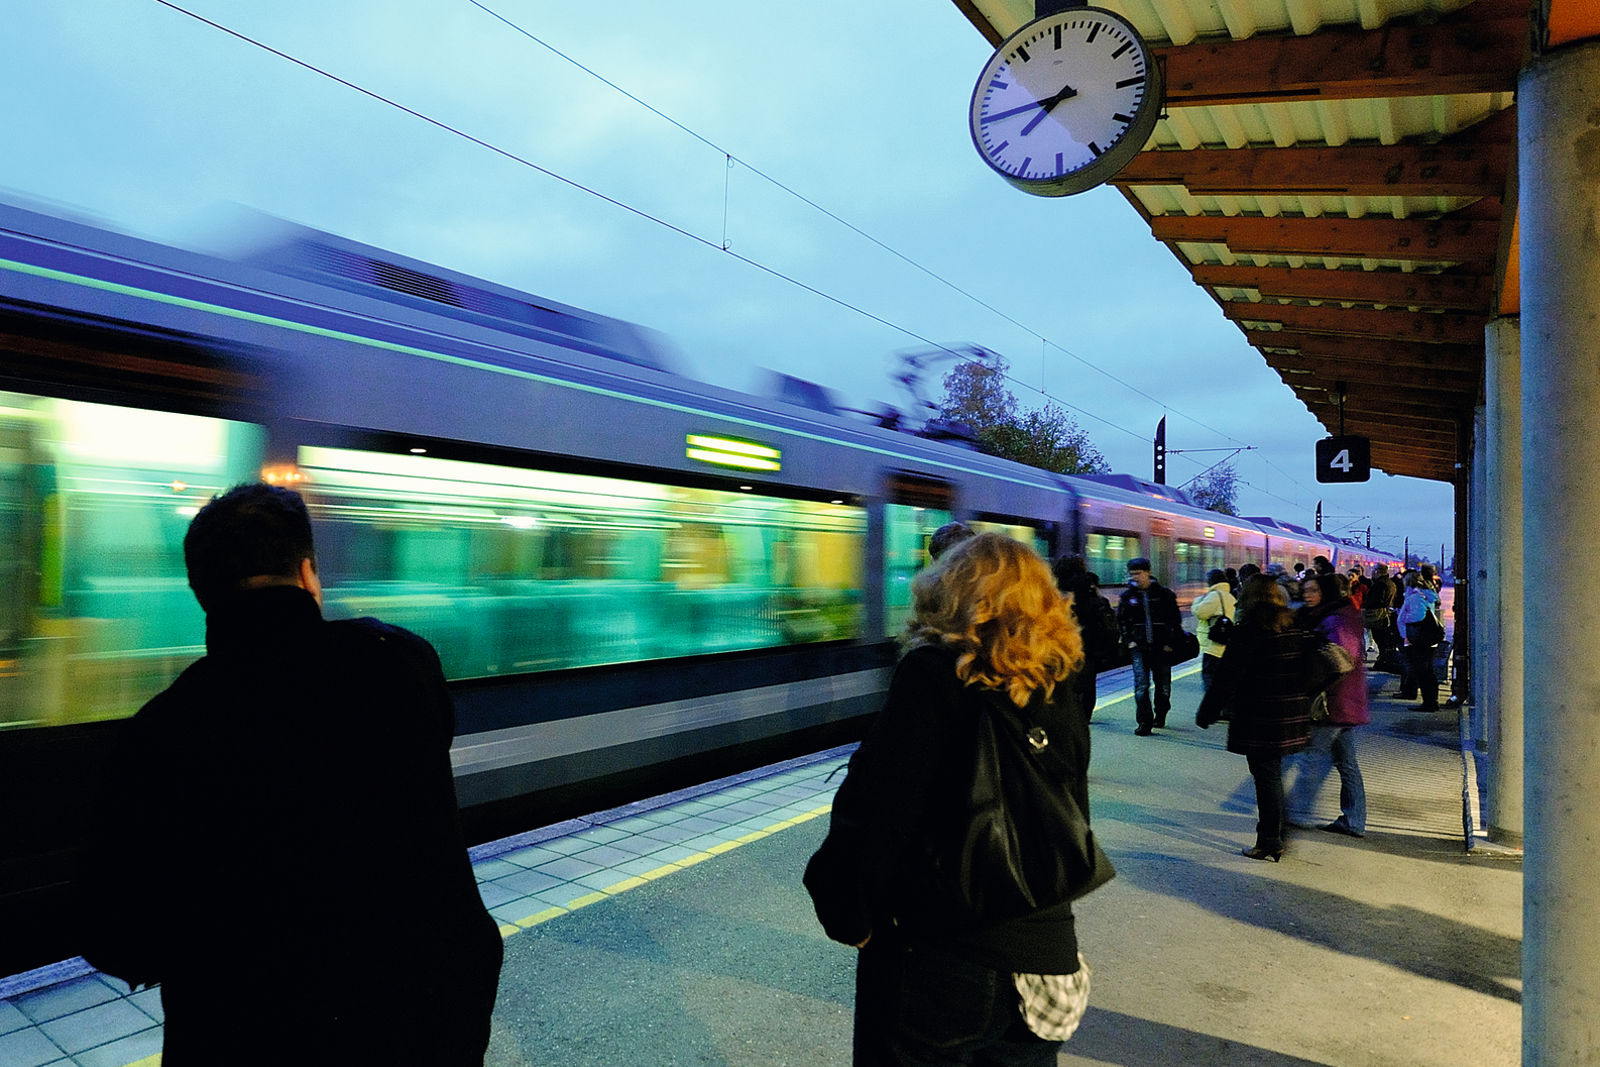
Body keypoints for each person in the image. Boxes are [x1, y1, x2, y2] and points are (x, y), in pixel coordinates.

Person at [77, 484, 503, 1065]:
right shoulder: (402, 662)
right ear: (307, 573)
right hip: (428, 1023)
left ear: (201, 593)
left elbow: (116, 936)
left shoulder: (161, 730)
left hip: (250, 1039)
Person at [805, 532, 1092, 1065]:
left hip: (944, 954)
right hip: (1044, 955)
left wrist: (848, 912)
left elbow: (881, 812)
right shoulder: (1059, 678)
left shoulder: (935, 673)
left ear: (950, 594)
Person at [1195, 574, 1316, 861]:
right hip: (1289, 712)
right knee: (1270, 776)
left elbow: (1227, 678)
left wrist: (1207, 712)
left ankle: (1270, 840)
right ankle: (1275, 834)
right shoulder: (1292, 623)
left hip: (1260, 715)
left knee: (1266, 777)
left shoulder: (1249, 629)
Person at [1287, 573, 1369, 837]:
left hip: (1333, 701)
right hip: (1344, 701)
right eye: (1305, 590)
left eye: (1314, 590)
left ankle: (1297, 813)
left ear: (1328, 593)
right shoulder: (1339, 615)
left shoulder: (1336, 620)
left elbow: (1338, 660)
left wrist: (1307, 681)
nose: (1307, 595)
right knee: (1347, 763)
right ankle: (1354, 821)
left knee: (1313, 755)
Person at [1117, 557, 1182, 735]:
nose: (1135, 578)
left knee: (1163, 686)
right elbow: (1122, 620)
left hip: (1162, 647)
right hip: (1139, 647)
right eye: (1132, 574)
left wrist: (1169, 643)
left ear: (1148, 572)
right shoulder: (1128, 596)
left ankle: (1160, 714)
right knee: (1141, 686)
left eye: (1138, 574)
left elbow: (1174, 621)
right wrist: (1128, 640)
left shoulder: (1164, 594)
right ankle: (1144, 722)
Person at [1052, 555, 1118, 720]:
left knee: (1063, 680)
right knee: (1088, 683)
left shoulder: (1054, 586)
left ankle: (1065, 712)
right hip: (1087, 644)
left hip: (1063, 643)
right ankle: (1084, 717)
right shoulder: (1089, 586)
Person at [1397, 569, 1444, 711]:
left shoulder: (1416, 597)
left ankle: (1429, 702)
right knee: (1426, 671)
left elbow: (1416, 617)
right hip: (1424, 639)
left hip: (1418, 639)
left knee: (1423, 671)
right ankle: (1430, 701)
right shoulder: (1424, 595)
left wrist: (1405, 621)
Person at [1191, 568, 1236, 693]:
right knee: (1223, 680)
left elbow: (1201, 612)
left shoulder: (1214, 595)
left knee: (1210, 679)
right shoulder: (1230, 596)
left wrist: (1196, 603)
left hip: (1213, 647)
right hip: (1226, 645)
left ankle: (1212, 709)